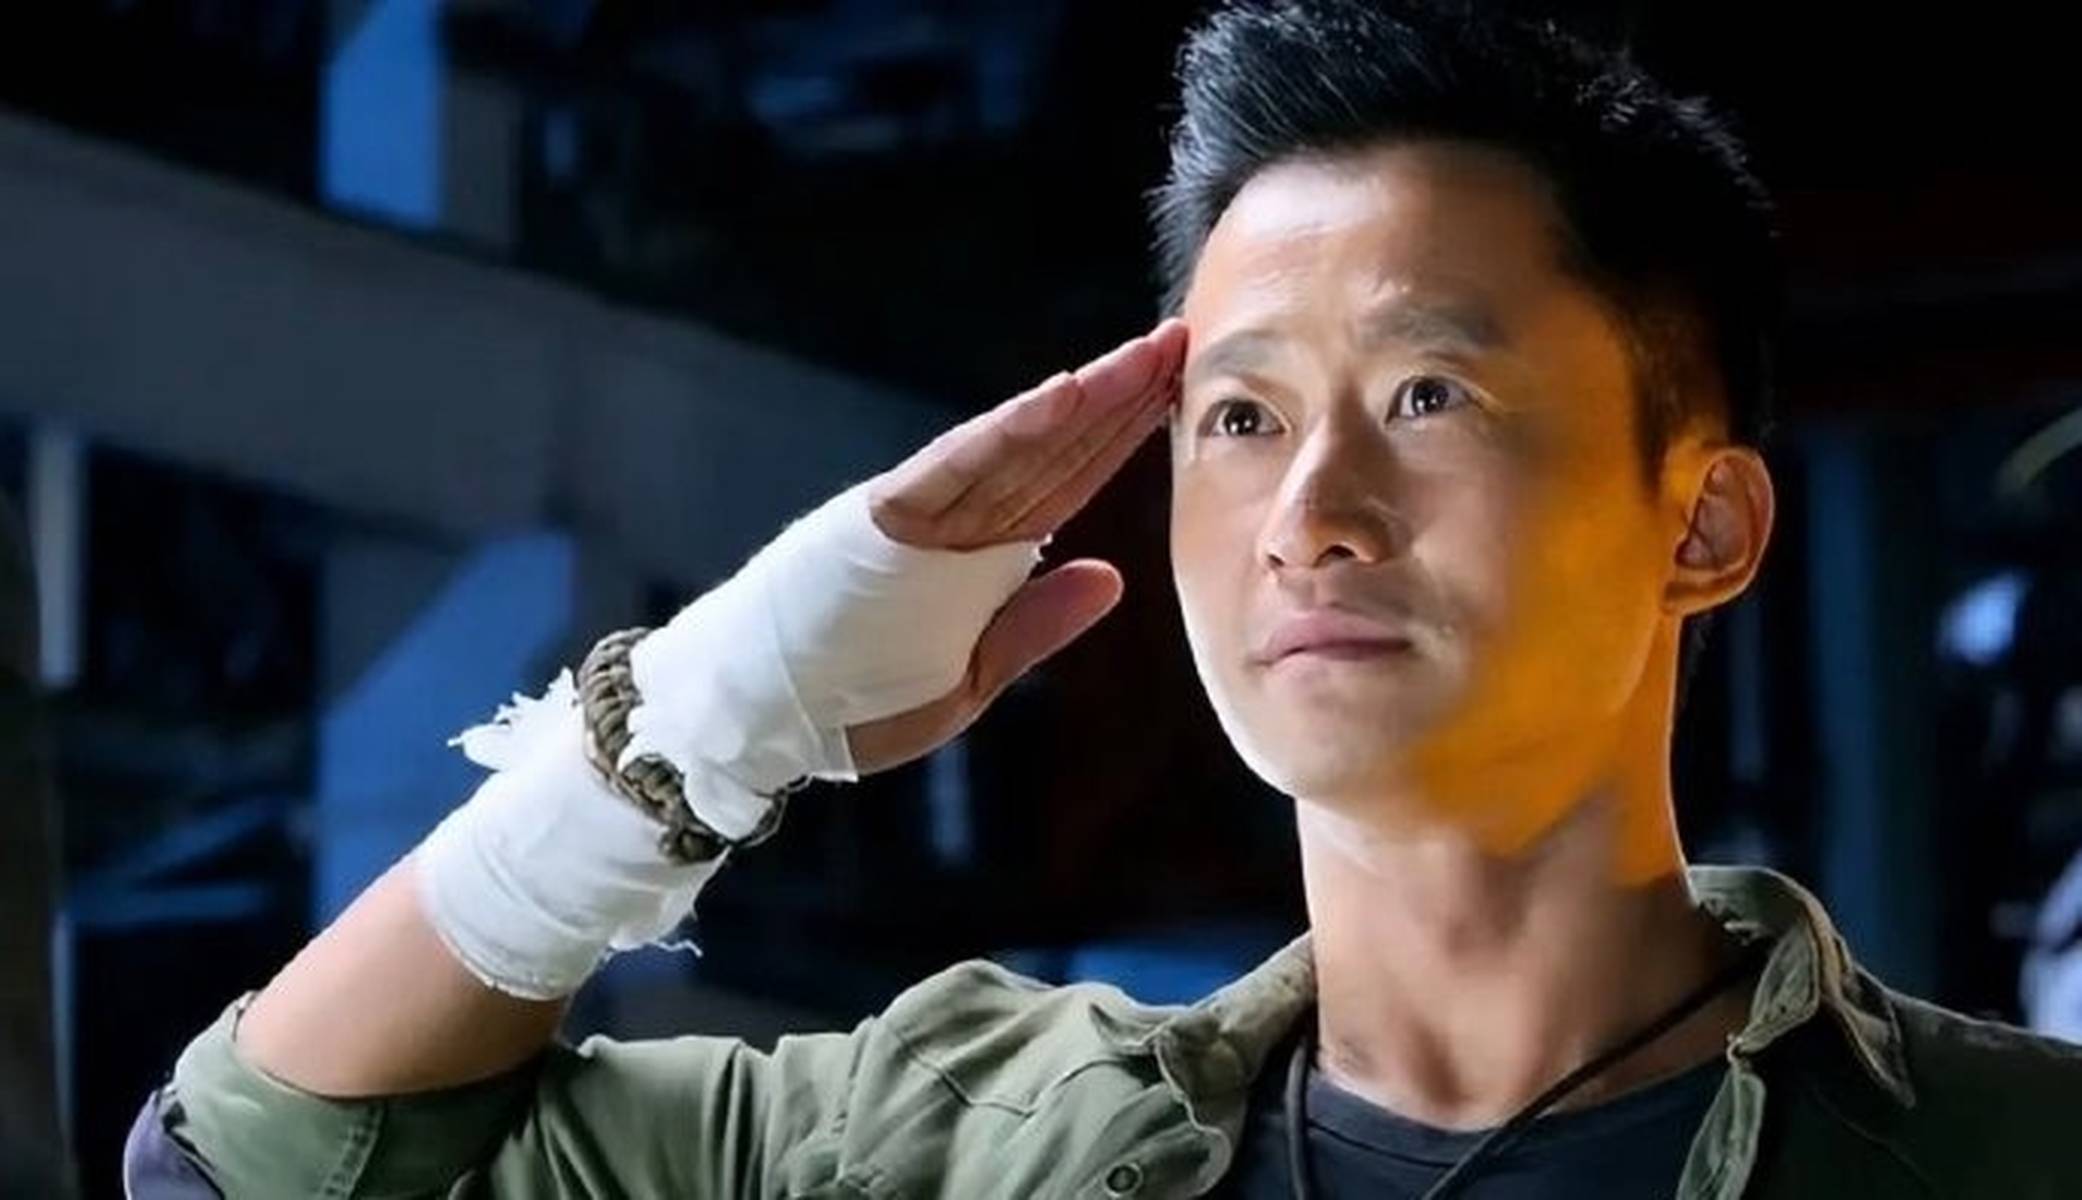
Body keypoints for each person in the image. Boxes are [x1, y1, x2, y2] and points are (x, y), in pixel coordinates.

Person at [136, 2, 2082, 1196]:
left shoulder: (2003, 1156)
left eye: (1429, 394)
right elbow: (252, 1162)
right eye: (1238, 416)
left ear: (1704, 523)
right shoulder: (954, 1144)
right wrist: (705, 724)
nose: (1310, 513)